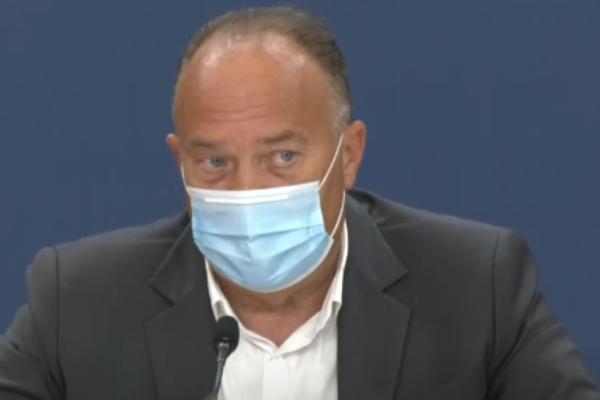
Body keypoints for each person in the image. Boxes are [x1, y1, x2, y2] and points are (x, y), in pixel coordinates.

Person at [1, 6, 598, 400]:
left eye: (282, 157)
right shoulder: (76, 302)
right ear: (180, 160)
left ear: (349, 154)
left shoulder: (475, 287)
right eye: (214, 163)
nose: (247, 191)